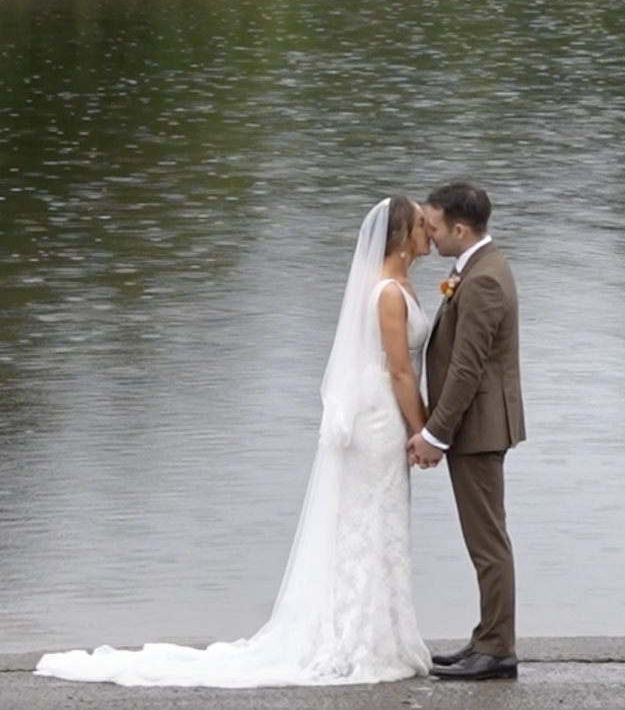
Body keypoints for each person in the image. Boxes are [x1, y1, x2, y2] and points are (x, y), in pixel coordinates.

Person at [33, 197, 436, 686]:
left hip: (385, 411)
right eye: (421, 224)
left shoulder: (400, 284)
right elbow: (399, 371)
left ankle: (382, 632)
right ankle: (357, 638)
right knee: (369, 520)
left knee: (383, 520)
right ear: (400, 235)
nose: (430, 231)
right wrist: (421, 430)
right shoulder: (387, 292)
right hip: (379, 417)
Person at [408, 180, 525, 681]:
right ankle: (485, 638)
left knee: (487, 542)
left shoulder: (485, 280)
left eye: (433, 226)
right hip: (476, 425)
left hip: (479, 427)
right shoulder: (476, 268)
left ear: (459, 229)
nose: (429, 234)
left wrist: (435, 434)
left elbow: (467, 368)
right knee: (484, 538)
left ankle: (496, 649)